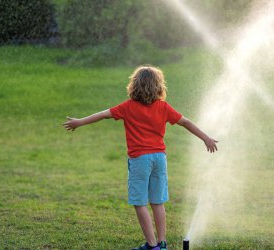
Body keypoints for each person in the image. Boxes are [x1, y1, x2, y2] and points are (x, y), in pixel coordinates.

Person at [63, 65, 218, 250]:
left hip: (140, 160)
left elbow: (104, 115)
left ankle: (152, 245)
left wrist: (79, 122)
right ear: (158, 86)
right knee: (157, 202)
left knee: (139, 202)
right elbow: (185, 122)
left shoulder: (128, 107)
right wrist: (206, 138)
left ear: (134, 85)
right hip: (160, 159)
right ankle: (162, 243)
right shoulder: (163, 107)